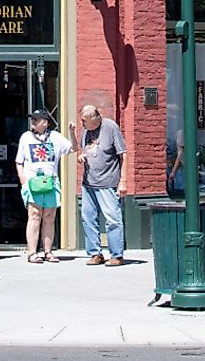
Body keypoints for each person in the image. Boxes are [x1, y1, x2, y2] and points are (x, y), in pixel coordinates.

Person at [75, 101, 127, 266]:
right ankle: (95, 253)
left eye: (84, 120)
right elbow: (84, 151)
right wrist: (80, 156)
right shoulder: (85, 131)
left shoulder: (110, 128)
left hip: (108, 182)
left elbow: (123, 155)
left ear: (95, 119)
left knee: (112, 219)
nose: (81, 123)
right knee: (88, 218)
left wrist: (123, 181)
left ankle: (116, 255)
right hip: (89, 182)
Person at [16, 110, 71, 262]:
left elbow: (72, 149)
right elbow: (19, 161)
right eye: (32, 119)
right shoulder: (26, 137)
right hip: (33, 182)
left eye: (37, 119)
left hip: (51, 181)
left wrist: (72, 132)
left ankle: (48, 251)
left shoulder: (55, 137)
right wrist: (23, 179)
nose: (33, 121)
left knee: (49, 216)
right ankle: (32, 252)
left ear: (45, 122)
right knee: (34, 215)